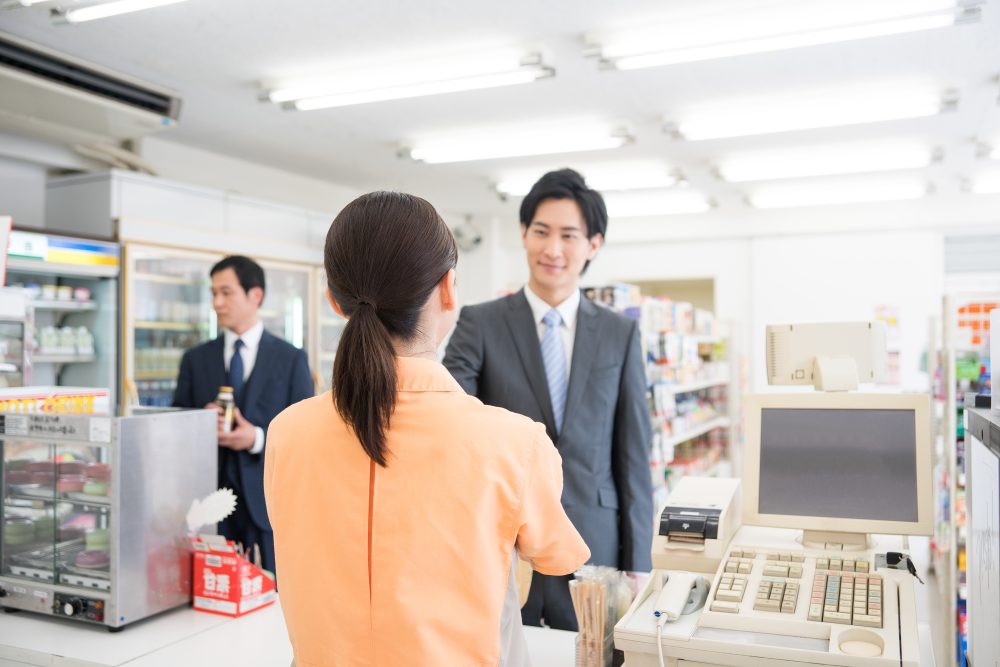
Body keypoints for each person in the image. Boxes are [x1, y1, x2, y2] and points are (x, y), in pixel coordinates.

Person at [264, 192, 589, 666]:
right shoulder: (515, 443)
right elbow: (559, 556)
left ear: (334, 299)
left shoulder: (287, 432)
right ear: (448, 289)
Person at [443, 168, 654, 631]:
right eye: (541, 231)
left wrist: (640, 562)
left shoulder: (620, 333)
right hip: (501, 539)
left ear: (592, 244)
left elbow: (634, 454)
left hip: (594, 544)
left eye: (568, 235)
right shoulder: (480, 323)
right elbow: (450, 419)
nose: (552, 249)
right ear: (523, 233)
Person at [172, 255, 312, 575]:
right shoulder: (195, 359)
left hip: (265, 504)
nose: (217, 302)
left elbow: (304, 435)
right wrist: (199, 421)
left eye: (226, 292)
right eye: (213, 293)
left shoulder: (290, 359)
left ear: (256, 295)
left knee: (270, 597)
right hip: (207, 505)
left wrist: (257, 438)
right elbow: (175, 425)